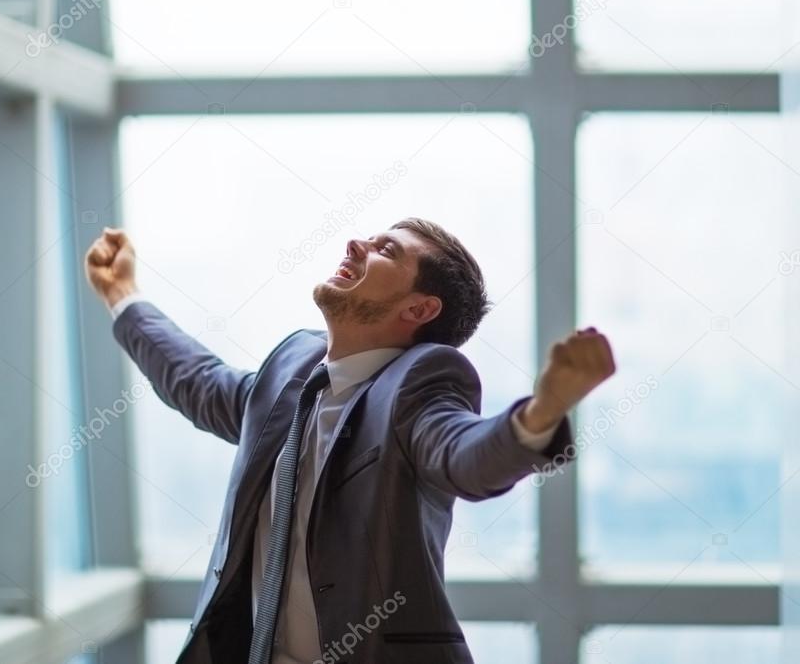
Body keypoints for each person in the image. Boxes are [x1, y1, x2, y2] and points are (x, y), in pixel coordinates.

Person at [84, 217, 615, 664]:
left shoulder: (420, 383)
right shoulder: (293, 369)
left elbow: (465, 456)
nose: (356, 244)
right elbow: (199, 381)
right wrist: (123, 296)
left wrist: (541, 413)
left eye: (387, 250)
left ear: (419, 309)